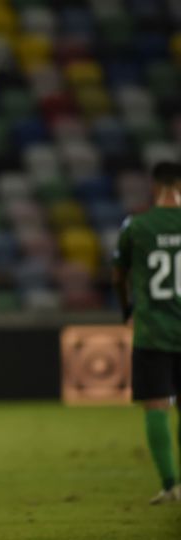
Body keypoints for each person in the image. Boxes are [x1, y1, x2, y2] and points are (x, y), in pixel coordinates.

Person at [113, 161, 181, 504]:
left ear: (155, 188)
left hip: (153, 331)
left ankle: (170, 485)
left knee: (156, 407)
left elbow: (118, 273)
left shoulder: (137, 226)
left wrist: (127, 310)